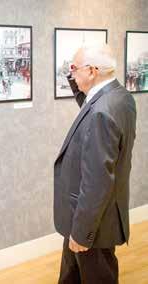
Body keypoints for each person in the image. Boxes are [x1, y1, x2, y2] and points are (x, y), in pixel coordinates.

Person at [54, 44, 137, 284]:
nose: (73, 73)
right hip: (91, 214)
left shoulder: (102, 112)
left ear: (91, 71)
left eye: (75, 68)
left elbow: (97, 181)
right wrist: (73, 77)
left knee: (96, 277)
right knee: (71, 276)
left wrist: (81, 233)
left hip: (92, 222)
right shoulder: (119, 97)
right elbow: (89, 107)